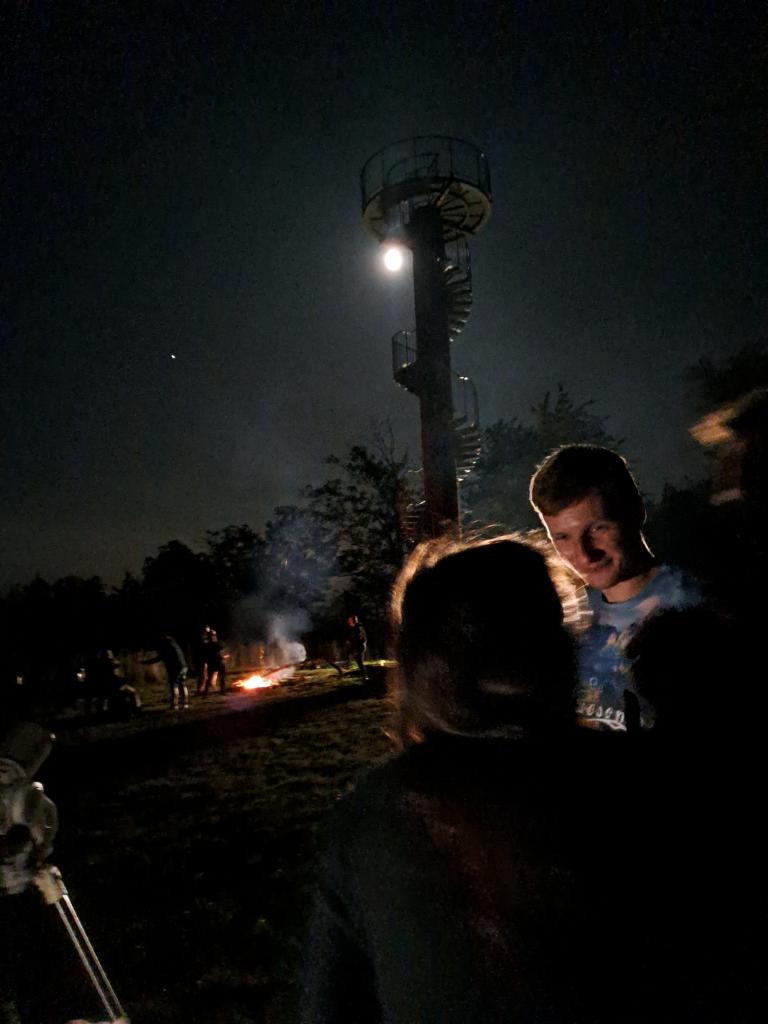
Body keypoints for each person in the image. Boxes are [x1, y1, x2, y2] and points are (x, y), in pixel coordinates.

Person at [529, 444, 702, 730]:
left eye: (598, 528)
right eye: (562, 537)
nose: (584, 554)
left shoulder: (696, 608)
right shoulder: (567, 620)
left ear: (635, 512)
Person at [142, 634, 188, 710]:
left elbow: (158, 658)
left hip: (175, 668)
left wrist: (146, 662)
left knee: (174, 686)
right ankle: (185, 704)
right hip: (184, 666)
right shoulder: (174, 644)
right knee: (183, 684)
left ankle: (175, 705)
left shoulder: (165, 646)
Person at [344, 614, 368, 681]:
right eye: (348, 620)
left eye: (350, 620)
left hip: (359, 647)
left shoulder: (359, 628)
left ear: (353, 620)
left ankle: (365, 676)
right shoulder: (351, 628)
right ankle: (348, 665)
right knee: (349, 653)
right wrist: (348, 640)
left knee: (360, 662)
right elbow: (350, 637)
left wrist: (356, 649)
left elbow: (359, 638)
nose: (348, 621)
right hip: (354, 646)